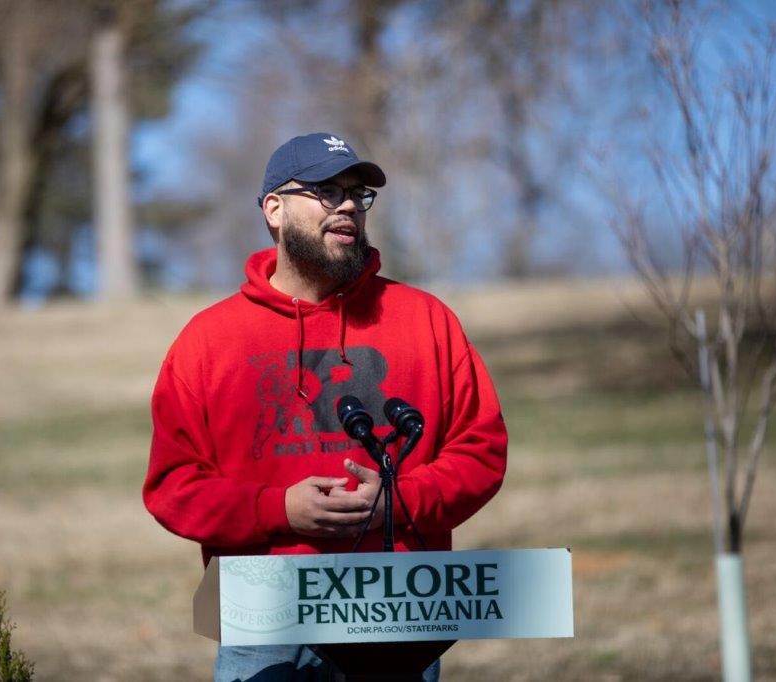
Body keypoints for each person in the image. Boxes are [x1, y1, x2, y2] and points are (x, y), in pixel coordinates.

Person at [143, 132, 508, 681]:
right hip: (263, 618)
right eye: (325, 190)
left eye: (357, 194)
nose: (347, 206)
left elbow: (481, 453)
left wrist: (396, 503)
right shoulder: (208, 341)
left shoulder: (427, 321)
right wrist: (277, 509)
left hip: (396, 615)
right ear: (274, 209)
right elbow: (173, 485)